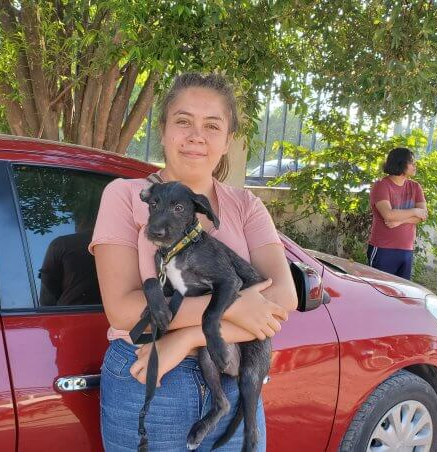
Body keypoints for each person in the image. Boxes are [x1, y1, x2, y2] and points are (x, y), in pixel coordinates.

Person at [90, 73, 297, 451]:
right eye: (183, 121)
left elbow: (282, 298)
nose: (196, 135)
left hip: (231, 376)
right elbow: (123, 310)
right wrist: (236, 306)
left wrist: (188, 337)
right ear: (164, 130)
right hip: (149, 377)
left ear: (228, 139)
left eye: (212, 125)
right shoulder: (124, 196)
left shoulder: (246, 206)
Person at [368, 147, 427, 280]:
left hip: (407, 249)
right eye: (411, 162)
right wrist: (414, 211)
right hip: (383, 249)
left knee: (401, 293)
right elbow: (388, 215)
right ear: (400, 163)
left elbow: (423, 216)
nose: (415, 165)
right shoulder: (381, 185)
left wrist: (401, 220)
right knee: (379, 291)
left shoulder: (415, 187)